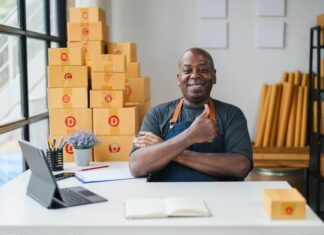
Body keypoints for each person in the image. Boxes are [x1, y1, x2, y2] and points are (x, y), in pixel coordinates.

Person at [129, 48, 253, 182]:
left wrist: (167, 149)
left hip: (218, 198)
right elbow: (137, 166)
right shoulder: (157, 114)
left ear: (214, 76)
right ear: (178, 79)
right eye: (187, 71)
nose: (194, 75)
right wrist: (190, 136)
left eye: (203, 70)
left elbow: (240, 167)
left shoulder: (232, 114)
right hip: (166, 197)